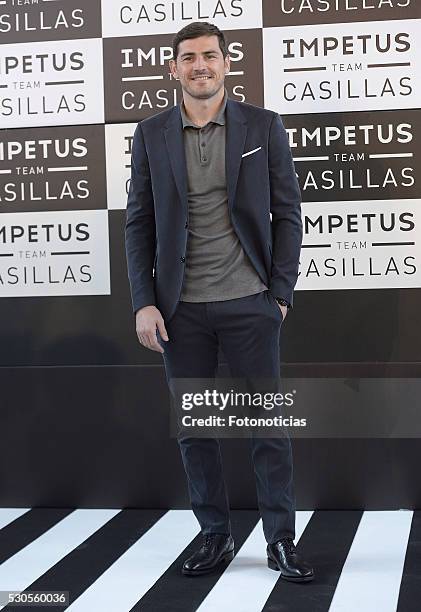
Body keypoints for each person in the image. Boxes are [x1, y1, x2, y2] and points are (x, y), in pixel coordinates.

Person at [125, 21, 314, 581]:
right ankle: (215, 536)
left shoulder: (263, 125)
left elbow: (288, 214)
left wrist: (278, 294)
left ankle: (281, 539)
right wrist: (143, 301)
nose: (200, 65)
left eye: (210, 55)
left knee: (268, 431)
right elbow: (139, 224)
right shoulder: (151, 134)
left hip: (250, 303)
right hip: (180, 312)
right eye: (189, 58)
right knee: (195, 431)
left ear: (226, 63)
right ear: (174, 68)